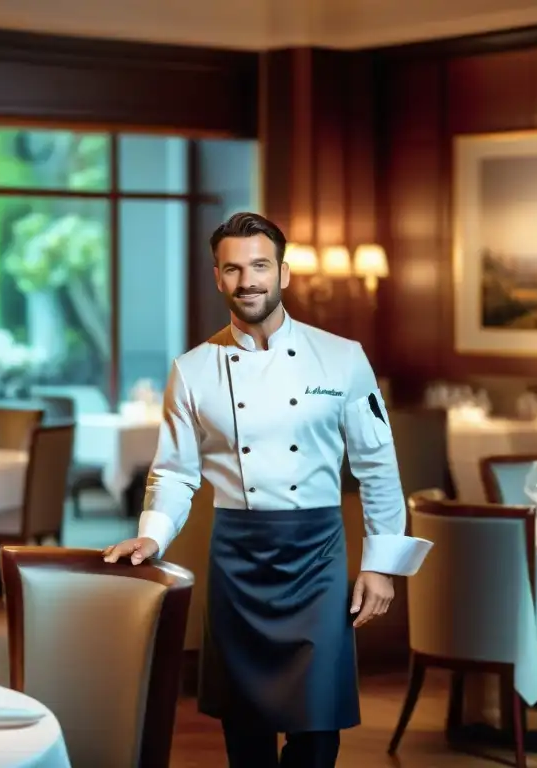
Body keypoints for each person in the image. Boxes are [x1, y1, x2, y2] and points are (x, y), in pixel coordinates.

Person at [102, 212, 432, 768]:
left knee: (318, 723)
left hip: (318, 554)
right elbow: (176, 472)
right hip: (237, 557)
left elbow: (377, 464)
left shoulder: (344, 357)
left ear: (284, 271)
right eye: (233, 269)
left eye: (260, 266)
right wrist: (151, 538)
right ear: (217, 278)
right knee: (246, 726)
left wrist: (382, 564)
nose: (248, 280)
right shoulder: (193, 370)